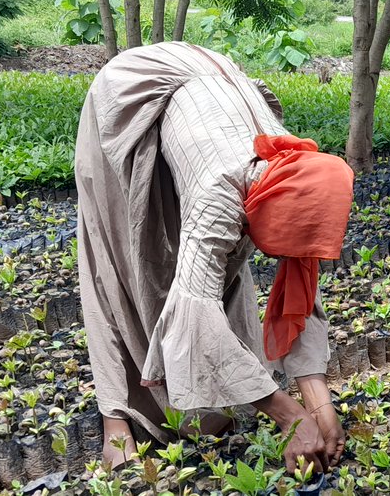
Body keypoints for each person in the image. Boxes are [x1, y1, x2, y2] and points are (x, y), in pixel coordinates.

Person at [74, 41, 353, 474]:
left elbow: (299, 296)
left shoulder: (303, 179)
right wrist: (290, 416)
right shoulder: (220, 193)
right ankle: (117, 418)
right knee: (128, 268)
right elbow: (194, 312)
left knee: (228, 270)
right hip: (131, 99)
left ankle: (222, 390)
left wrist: (319, 404)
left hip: (207, 94)